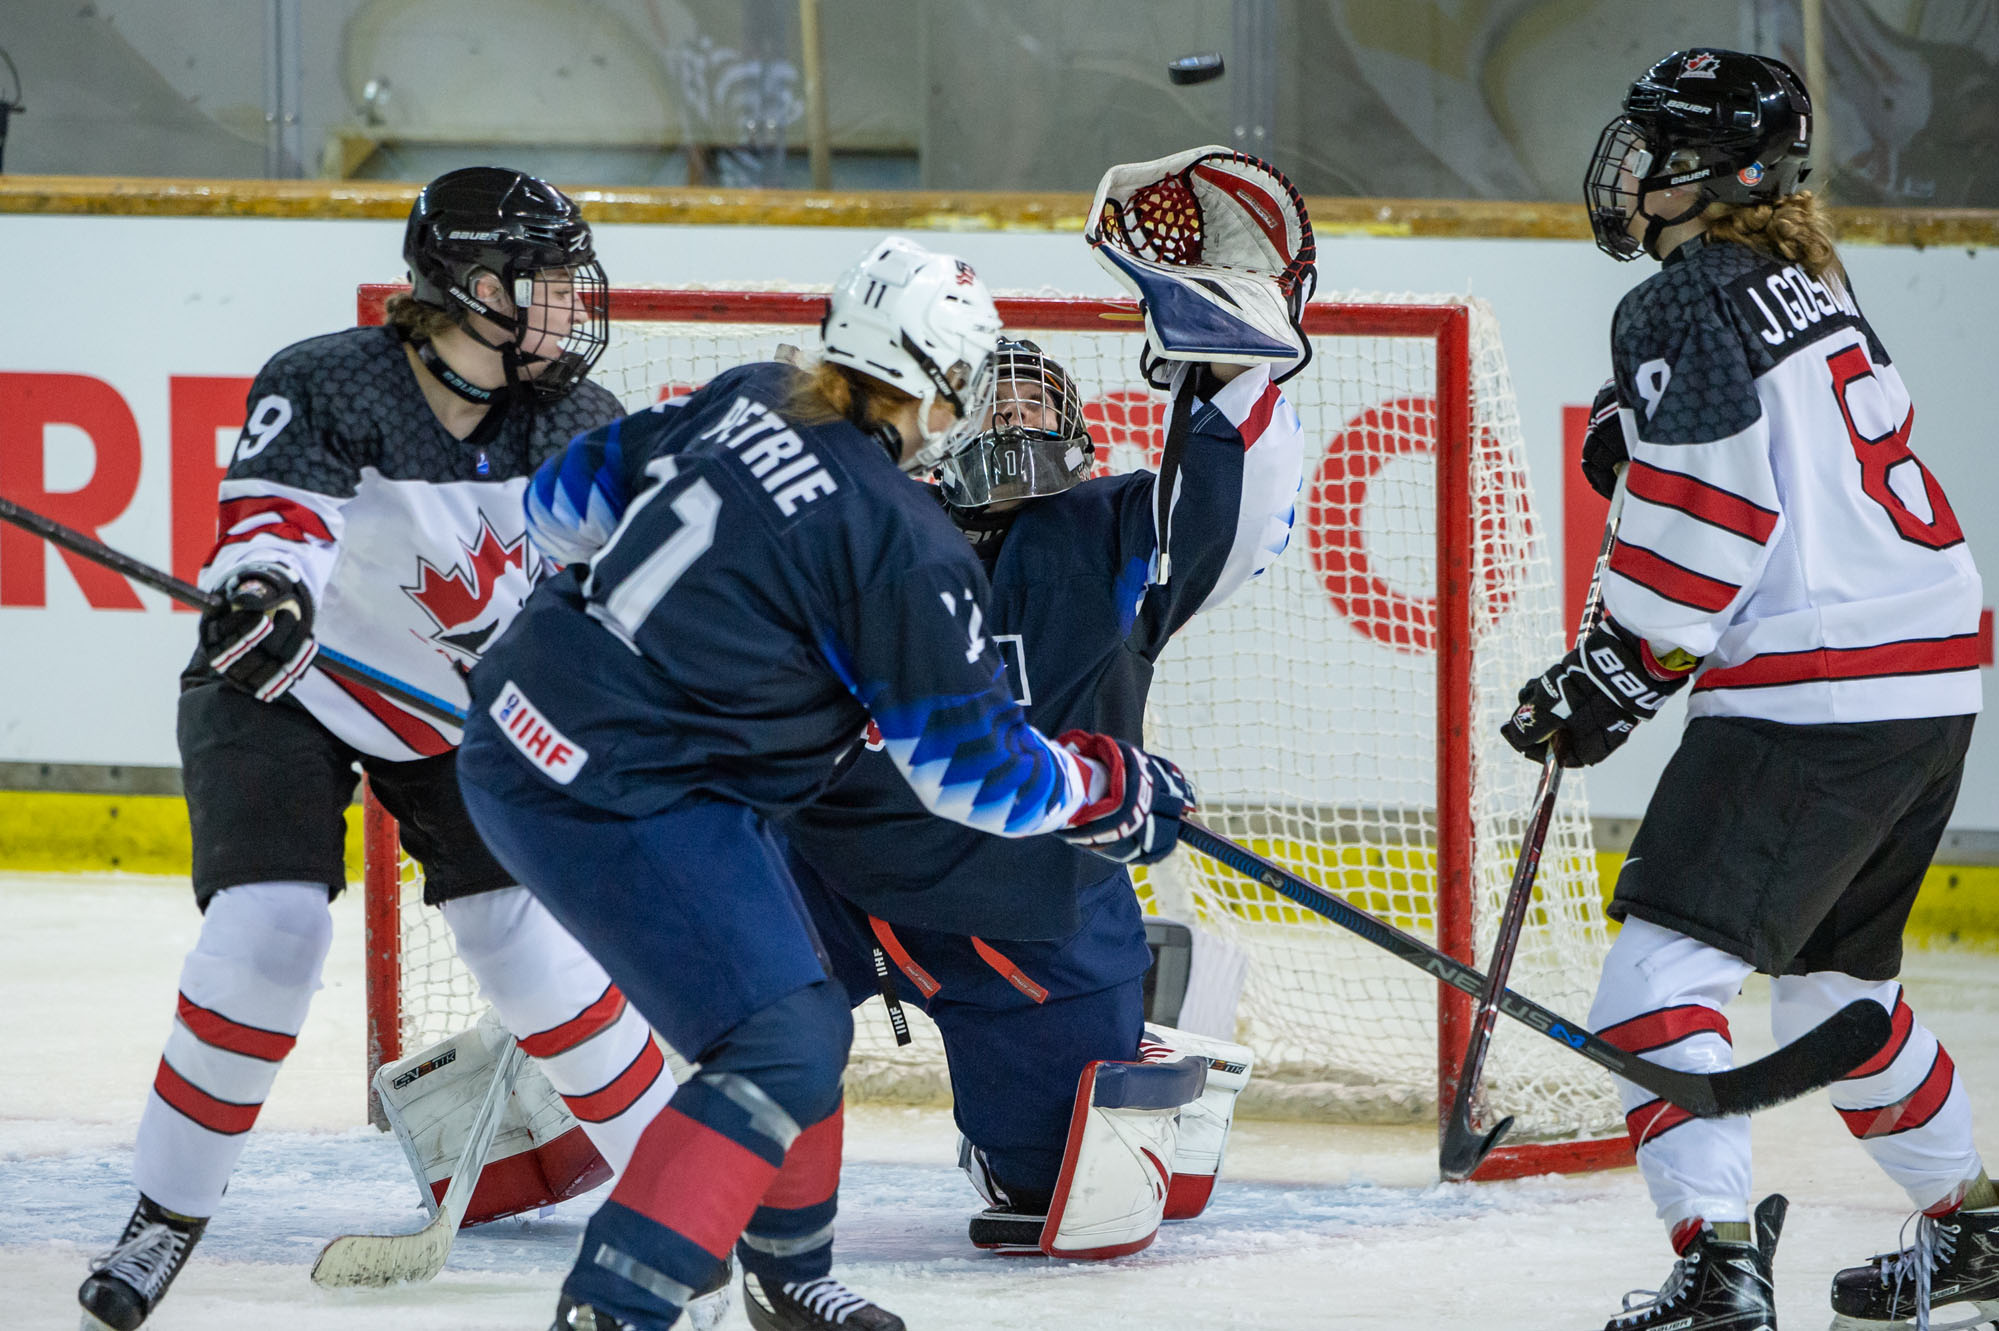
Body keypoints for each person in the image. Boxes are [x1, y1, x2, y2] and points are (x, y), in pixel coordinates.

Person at [454, 234, 1197, 1331]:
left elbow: (562, 504)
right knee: (781, 1034)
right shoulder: (903, 540)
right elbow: (972, 777)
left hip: (524, 720)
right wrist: (1104, 784)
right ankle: (615, 1306)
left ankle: (790, 1276)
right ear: (944, 384)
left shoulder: (748, 394)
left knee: (797, 997)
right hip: (617, 783)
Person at [76, 167, 686, 1331]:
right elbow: (275, 527)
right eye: (551, 280)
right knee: (271, 924)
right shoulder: (327, 381)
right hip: (290, 681)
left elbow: (611, 592)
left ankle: (685, 1204)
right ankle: (166, 1210)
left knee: (527, 947)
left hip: (453, 709)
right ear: (476, 290)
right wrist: (263, 593)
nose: (573, 303)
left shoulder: (578, 419)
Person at [1506, 49, 1988, 1331]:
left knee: (1654, 982)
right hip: (1928, 673)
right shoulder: (1805, 277)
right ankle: (1981, 1225)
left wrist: (1614, 672)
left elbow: (1716, 514)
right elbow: (1807, 445)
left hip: (1815, 698)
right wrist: (1637, 437)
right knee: (1839, 996)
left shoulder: (1676, 306)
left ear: (1716, 170)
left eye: (1655, 148)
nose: (1630, 171)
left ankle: (1718, 1271)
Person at [777, 328, 1303, 1255]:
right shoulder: (863, 514)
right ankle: (582, 1062)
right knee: (690, 995)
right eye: (995, 400)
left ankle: (1139, 1024)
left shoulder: (1109, 528)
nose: (1017, 418)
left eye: (1039, 407)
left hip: (1025, 913)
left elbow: (1236, 518)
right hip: (833, 879)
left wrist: (1231, 362)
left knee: (1047, 1184)